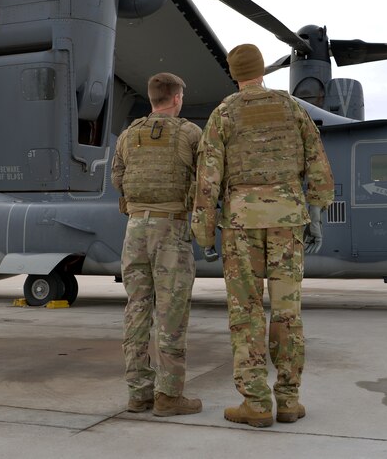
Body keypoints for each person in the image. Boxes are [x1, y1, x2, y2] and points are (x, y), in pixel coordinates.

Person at [193, 44, 334, 427]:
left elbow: (207, 178)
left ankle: (255, 403)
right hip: (288, 220)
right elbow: (316, 161)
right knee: (287, 313)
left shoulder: (224, 113)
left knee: (246, 313)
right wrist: (316, 215)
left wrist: (204, 234)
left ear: (234, 74)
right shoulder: (291, 108)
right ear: (261, 71)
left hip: (241, 225)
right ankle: (288, 401)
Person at [111, 72, 204, 417]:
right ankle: (169, 395)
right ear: (177, 98)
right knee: (171, 314)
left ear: (152, 99)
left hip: (135, 230)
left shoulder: (128, 135)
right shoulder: (190, 133)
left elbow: (117, 179)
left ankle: (138, 393)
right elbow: (205, 180)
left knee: (137, 309)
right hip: (171, 230)